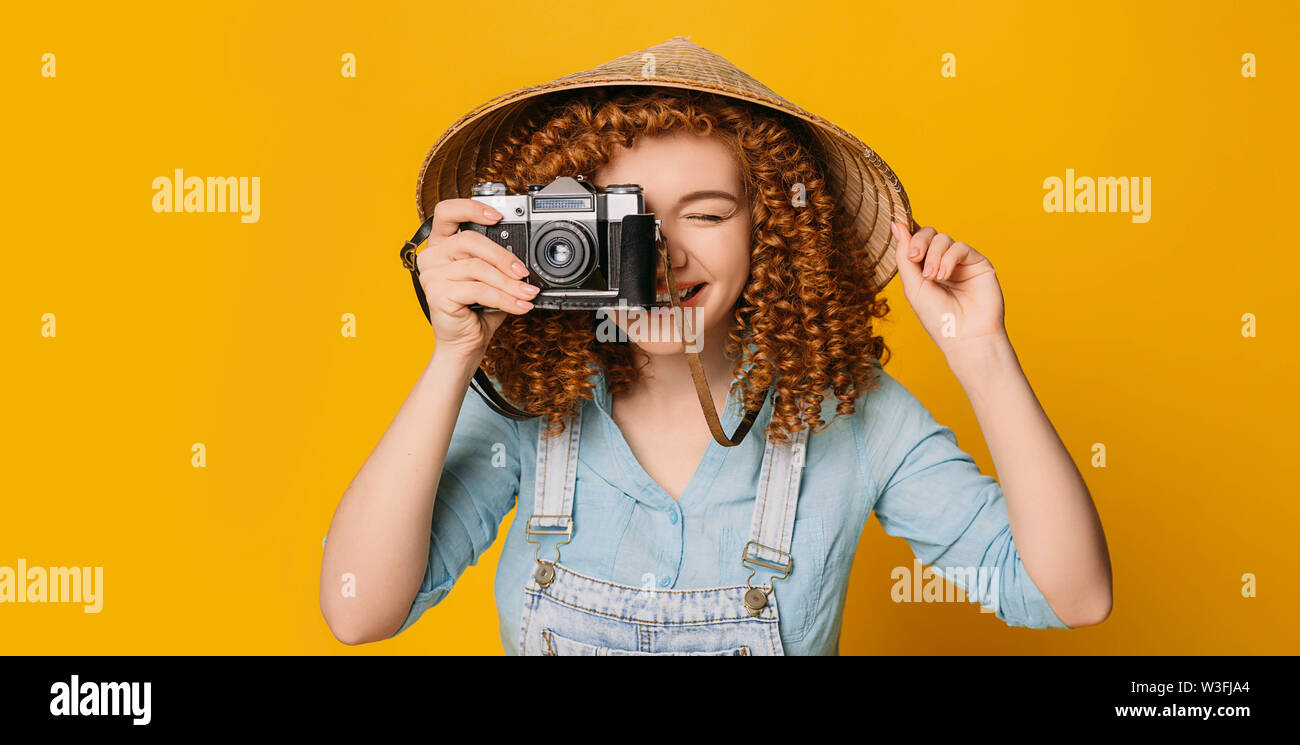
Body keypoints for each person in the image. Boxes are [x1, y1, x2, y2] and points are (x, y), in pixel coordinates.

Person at [319, 67, 1111, 656]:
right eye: (626, 219)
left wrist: (983, 354)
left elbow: (1070, 594)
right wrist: (454, 355)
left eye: (706, 213)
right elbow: (358, 611)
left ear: (769, 228)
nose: (664, 252)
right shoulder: (529, 404)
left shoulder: (849, 413)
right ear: (564, 233)